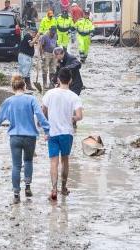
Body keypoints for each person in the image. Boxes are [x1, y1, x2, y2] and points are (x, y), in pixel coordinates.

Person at [0, 74, 50, 204]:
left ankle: (16, 194)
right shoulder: (31, 99)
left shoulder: (8, 101)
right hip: (30, 137)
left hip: (15, 137)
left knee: (16, 165)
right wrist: (47, 129)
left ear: (13, 87)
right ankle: (28, 187)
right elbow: (40, 115)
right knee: (29, 161)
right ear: (24, 86)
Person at [42, 67, 84, 201]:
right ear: (70, 80)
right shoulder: (74, 96)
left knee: (53, 162)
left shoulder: (50, 94)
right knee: (65, 160)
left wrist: (47, 122)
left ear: (58, 79)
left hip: (53, 133)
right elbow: (79, 116)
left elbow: (43, 110)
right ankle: (64, 187)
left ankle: (54, 189)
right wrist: (72, 118)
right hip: (67, 133)